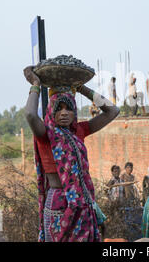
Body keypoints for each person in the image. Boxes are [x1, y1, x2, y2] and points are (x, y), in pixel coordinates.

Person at [23, 66, 119, 242]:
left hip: (83, 204)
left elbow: (113, 111)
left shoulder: (78, 131)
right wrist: (36, 85)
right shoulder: (45, 134)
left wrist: (82, 88)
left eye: (69, 108)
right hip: (59, 204)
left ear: (74, 111)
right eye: (59, 108)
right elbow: (29, 114)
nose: (64, 113)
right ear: (51, 110)